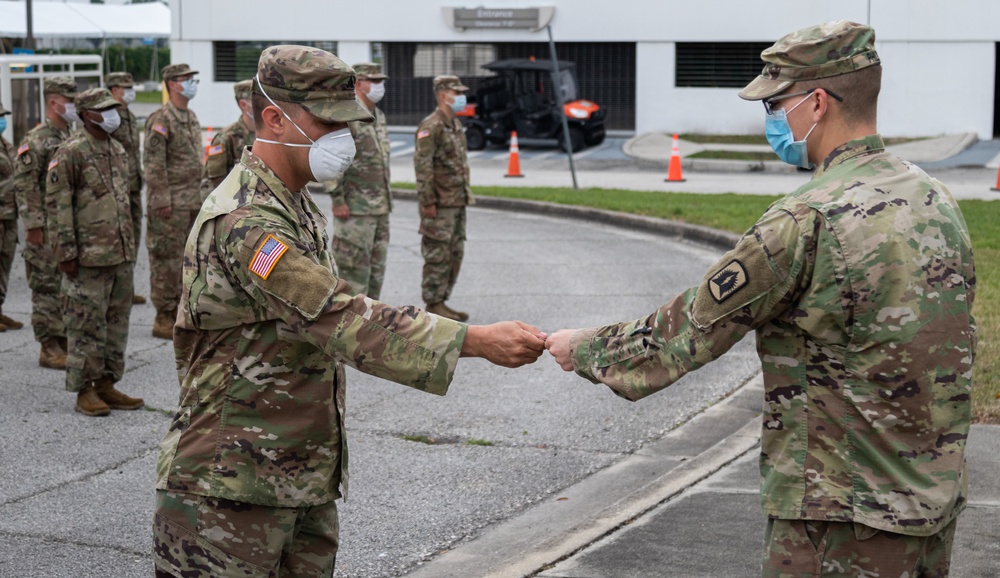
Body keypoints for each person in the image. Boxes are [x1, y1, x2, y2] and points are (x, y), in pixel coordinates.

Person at [546, 21, 976, 577]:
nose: (770, 119)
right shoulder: (932, 196)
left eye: (776, 104)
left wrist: (581, 348)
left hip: (839, 519)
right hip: (929, 507)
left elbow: (687, 333)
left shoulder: (806, 218)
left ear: (816, 102)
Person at [152, 46, 546, 578]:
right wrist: (473, 341)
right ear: (274, 118)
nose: (345, 139)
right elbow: (338, 317)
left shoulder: (293, 202)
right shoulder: (247, 221)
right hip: (229, 486)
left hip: (295, 474)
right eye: (328, 123)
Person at [48, 87, 144, 417]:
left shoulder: (117, 149)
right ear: (87, 114)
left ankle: (106, 383)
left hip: (119, 254)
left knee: (116, 324)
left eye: (113, 109)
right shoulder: (71, 150)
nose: (112, 115)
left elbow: (128, 201)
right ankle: (84, 389)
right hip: (87, 257)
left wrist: (131, 245)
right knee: (86, 325)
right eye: (105, 110)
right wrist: (66, 252)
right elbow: (58, 206)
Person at [13, 76, 77, 369]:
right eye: (71, 100)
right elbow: (25, 186)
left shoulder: (70, 136)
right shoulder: (36, 139)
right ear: (54, 102)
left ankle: (63, 339)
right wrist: (34, 225)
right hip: (46, 228)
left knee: (64, 285)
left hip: (66, 227)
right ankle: (49, 346)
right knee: (45, 284)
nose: (75, 106)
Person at [144, 63, 202, 340]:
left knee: (187, 261)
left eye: (193, 79)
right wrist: (160, 201)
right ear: (172, 84)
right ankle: (163, 317)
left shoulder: (189, 116)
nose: (192, 83)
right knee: (166, 261)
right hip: (169, 205)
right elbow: (154, 165)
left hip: (190, 201)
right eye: (186, 79)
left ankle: (181, 312)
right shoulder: (161, 119)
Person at [328, 62, 392, 299]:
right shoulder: (347, 117)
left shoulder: (379, 115)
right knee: (354, 275)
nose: (379, 86)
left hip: (380, 208)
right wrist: (338, 199)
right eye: (374, 81)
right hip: (354, 210)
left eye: (381, 81)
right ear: (359, 84)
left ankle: (372, 327)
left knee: (376, 272)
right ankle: (351, 330)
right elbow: (334, 160)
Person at [414, 75, 472, 322]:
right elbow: (423, 165)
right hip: (439, 204)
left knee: (454, 253)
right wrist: (427, 201)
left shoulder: (454, 124)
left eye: (461, 92)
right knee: (438, 254)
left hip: (457, 201)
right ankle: (433, 302)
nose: (461, 97)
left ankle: (442, 300)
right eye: (455, 92)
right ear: (441, 95)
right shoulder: (432, 125)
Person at [105, 71, 147, 305]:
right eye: (125, 87)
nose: (130, 90)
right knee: (117, 241)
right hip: (116, 189)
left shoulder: (128, 115)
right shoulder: (109, 117)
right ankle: (115, 291)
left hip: (132, 186)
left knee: (132, 240)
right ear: (113, 90)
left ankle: (126, 289)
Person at [199, 78, 256, 200]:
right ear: (243, 105)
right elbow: (212, 184)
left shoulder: (268, 135)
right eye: (257, 101)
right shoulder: (226, 138)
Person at [0, 97, 23, 332]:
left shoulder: (5, 145)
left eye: (3, 116)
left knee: (4, 263)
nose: (2, 121)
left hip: (9, 214)